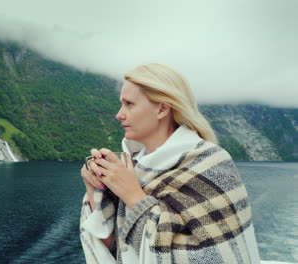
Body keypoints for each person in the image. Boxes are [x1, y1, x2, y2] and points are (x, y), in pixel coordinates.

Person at [79, 63, 260, 263]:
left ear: (162, 109)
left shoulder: (211, 163)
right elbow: (119, 251)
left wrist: (133, 195)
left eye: (129, 103)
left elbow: (212, 257)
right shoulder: (135, 166)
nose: (119, 114)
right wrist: (94, 189)